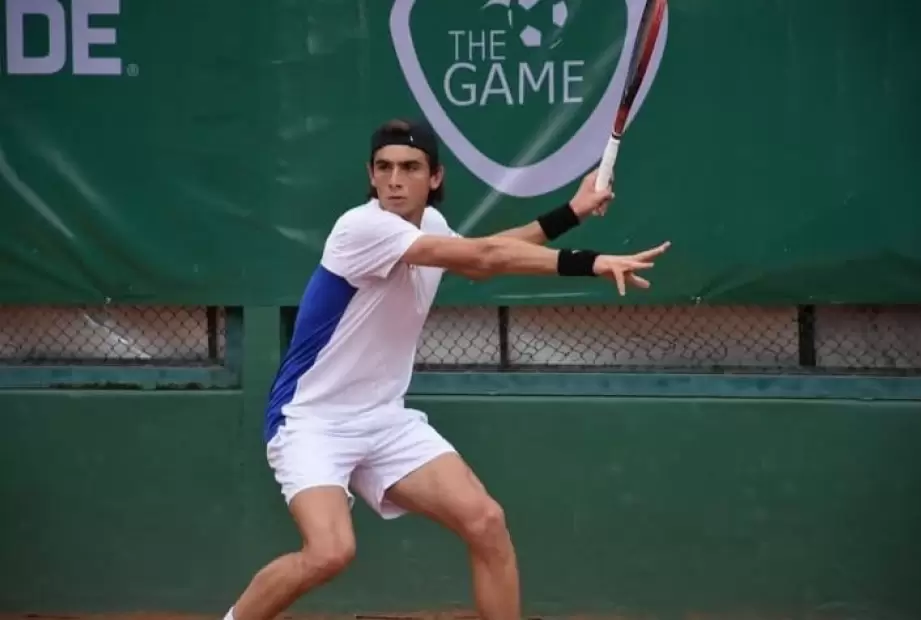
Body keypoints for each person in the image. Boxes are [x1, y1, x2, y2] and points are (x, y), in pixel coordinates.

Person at [222, 118, 670, 620]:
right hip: (311, 422)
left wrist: (572, 212)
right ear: (370, 175)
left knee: (485, 522)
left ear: (434, 177)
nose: (395, 180)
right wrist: (590, 262)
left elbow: (480, 260)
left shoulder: (430, 226)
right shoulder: (361, 228)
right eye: (384, 168)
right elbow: (486, 255)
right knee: (329, 552)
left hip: (383, 419)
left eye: (410, 168)